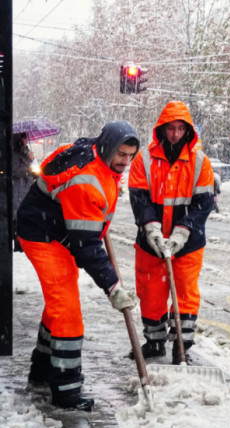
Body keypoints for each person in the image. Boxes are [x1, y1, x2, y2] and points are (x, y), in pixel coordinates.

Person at [16, 121, 141, 411]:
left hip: (55, 229)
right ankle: (66, 390)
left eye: (130, 156)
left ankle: (42, 371)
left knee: (60, 302)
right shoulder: (87, 178)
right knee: (68, 311)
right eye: (121, 154)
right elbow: (86, 247)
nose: (125, 161)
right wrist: (113, 287)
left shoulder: (96, 155)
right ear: (108, 146)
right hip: (44, 235)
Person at [128, 101, 215, 365]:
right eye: (171, 128)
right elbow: (139, 199)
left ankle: (181, 344)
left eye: (180, 129)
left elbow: (203, 204)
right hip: (150, 242)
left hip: (187, 243)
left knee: (186, 293)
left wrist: (183, 231)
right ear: (162, 129)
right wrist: (152, 228)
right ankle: (154, 342)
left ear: (188, 131)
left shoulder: (200, 163)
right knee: (151, 292)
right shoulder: (143, 160)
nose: (175, 134)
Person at [11, 133, 36, 252]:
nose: (27, 140)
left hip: (25, 187)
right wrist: (28, 168)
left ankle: (22, 244)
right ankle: (18, 244)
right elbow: (15, 169)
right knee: (18, 216)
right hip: (18, 188)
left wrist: (31, 159)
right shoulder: (14, 153)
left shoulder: (26, 151)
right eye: (25, 137)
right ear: (19, 139)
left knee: (24, 217)